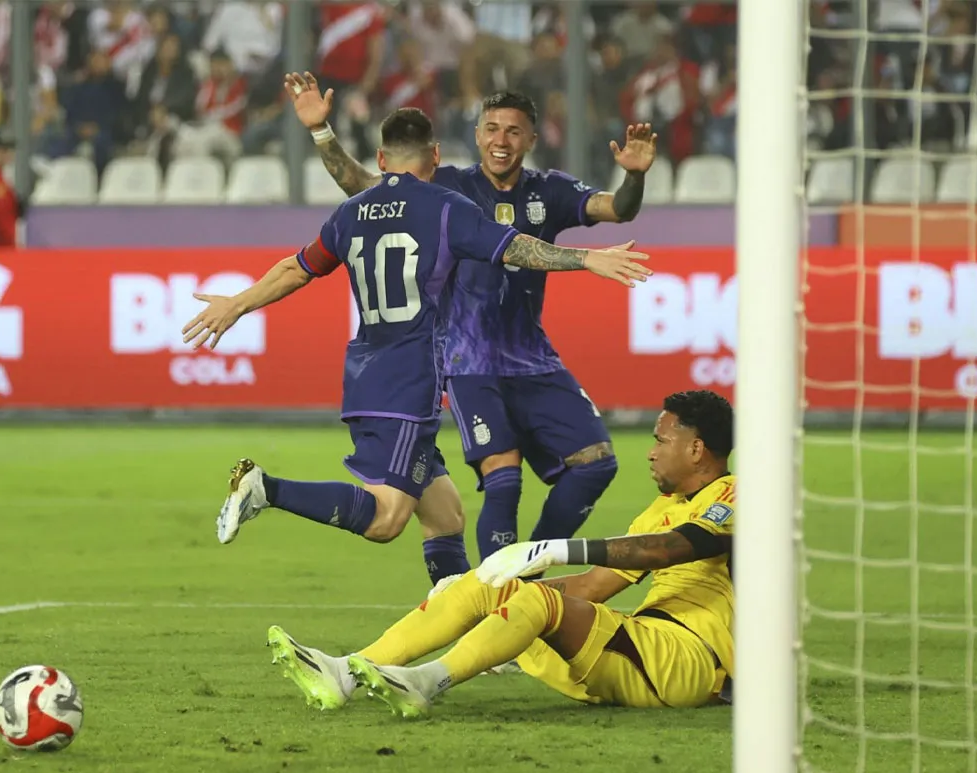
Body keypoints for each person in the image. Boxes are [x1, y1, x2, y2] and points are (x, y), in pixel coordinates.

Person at [181, 108, 652, 587]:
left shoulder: (351, 211)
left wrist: (237, 303)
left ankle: (477, 629)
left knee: (445, 518)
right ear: (436, 156)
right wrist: (587, 257)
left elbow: (296, 268)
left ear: (382, 158)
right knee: (387, 520)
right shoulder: (447, 208)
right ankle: (266, 488)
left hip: (367, 374)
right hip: (408, 384)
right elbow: (515, 249)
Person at [266, 390, 735, 715]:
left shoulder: (736, 494)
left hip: (696, 661)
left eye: (661, 440)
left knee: (532, 599)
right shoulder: (664, 507)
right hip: (644, 650)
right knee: (495, 586)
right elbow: (595, 587)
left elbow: (669, 550)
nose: (651, 453)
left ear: (696, 449)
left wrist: (555, 549)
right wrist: (491, 591)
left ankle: (427, 682)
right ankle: (345, 672)